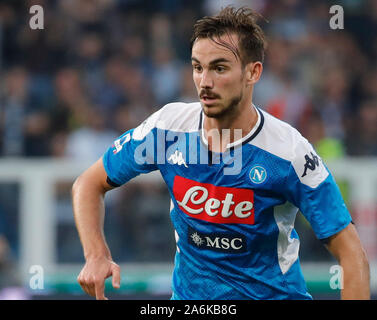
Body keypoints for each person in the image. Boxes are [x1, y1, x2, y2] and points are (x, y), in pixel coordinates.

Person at [72, 7, 370, 300]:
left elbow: (352, 253)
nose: (205, 81)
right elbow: (88, 183)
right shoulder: (167, 129)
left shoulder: (288, 152)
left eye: (219, 68)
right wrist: (96, 253)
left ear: (253, 72)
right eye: (197, 67)